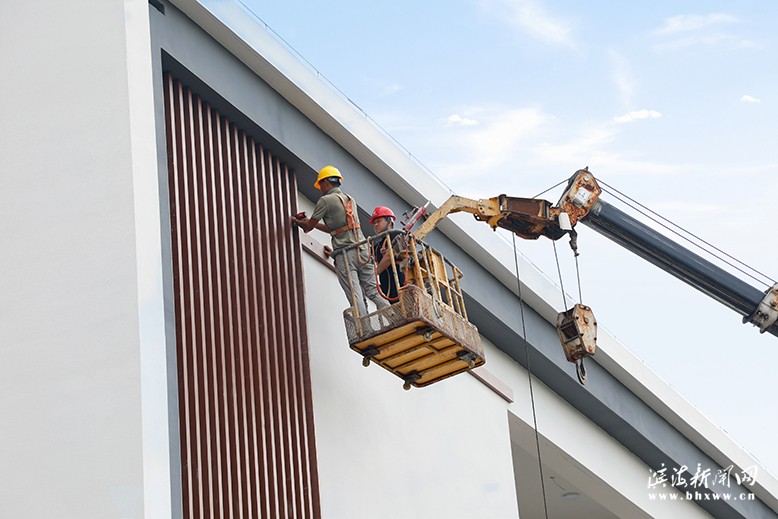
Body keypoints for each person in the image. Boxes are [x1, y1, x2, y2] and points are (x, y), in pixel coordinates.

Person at [292, 165, 390, 316]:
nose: (320, 189)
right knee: (373, 292)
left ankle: (365, 330)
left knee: (355, 294)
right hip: (363, 251)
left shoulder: (325, 201)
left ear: (326, 183)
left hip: (346, 255)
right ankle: (394, 317)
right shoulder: (350, 200)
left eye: (320, 185)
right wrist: (310, 223)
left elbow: (308, 227)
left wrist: (297, 221)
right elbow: (337, 228)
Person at [369, 206, 406, 301]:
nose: (376, 225)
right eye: (374, 223)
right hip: (387, 292)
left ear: (389, 222)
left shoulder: (395, 235)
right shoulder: (377, 246)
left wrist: (375, 273)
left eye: (379, 221)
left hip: (400, 287)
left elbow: (389, 256)